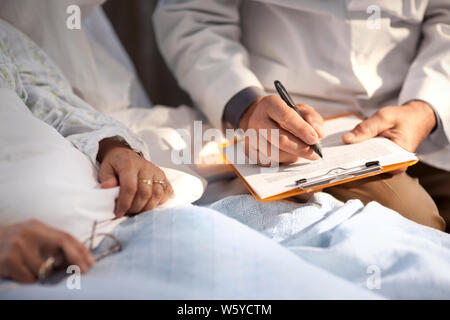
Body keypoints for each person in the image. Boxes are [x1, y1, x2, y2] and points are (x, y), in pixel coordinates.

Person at [154, 0, 450, 231]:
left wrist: (425, 109)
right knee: (415, 222)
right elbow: (192, 17)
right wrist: (245, 108)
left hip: (427, 117)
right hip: (282, 127)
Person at [0, 10, 173, 281]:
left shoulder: (5, 38)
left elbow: (53, 102)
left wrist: (114, 148)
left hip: (118, 219)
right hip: (29, 274)